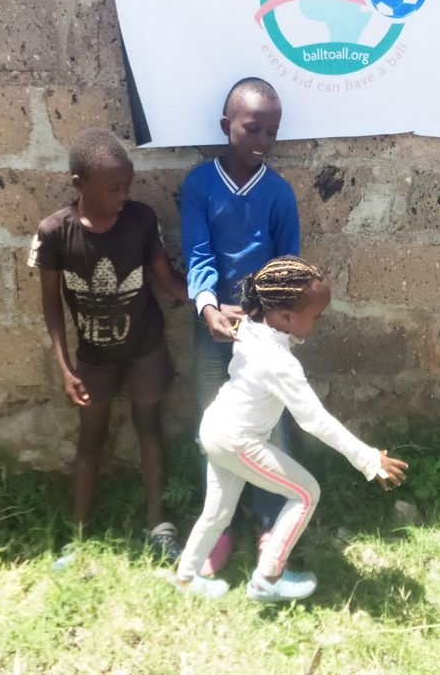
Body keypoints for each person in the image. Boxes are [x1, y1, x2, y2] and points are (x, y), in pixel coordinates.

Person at [174, 256, 408, 601]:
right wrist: (369, 459)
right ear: (285, 316)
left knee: (217, 512)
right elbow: (315, 420)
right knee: (305, 493)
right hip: (238, 441)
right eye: (315, 316)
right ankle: (268, 579)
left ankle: (186, 577)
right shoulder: (280, 363)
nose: (318, 321)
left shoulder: (252, 325)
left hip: (216, 427)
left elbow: (243, 322)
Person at [28, 127, 189, 562]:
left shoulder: (141, 220)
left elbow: (166, 278)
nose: (123, 195)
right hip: (93, 359)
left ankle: (159, 525)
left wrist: (208, 302)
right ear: (79, 184)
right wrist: (65, 368)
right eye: (113, 188)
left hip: (145, 349)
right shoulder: (55, 232)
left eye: (127, 185)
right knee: (90, 439)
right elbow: (51, 303)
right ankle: (79, 536)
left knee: (149, 429)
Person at [180, 77, 301, 574]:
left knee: (270, 427)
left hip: (263, 333)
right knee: (216, 426)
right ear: (225, 126)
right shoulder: (200, 185)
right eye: (252, 129)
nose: (262, 141)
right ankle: (220, 525)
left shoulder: (279, 193)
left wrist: (260, 316)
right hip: (213, 326)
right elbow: (198, 253)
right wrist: (209, 308)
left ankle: (271, 522)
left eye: (272, 132)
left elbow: (288, 267)